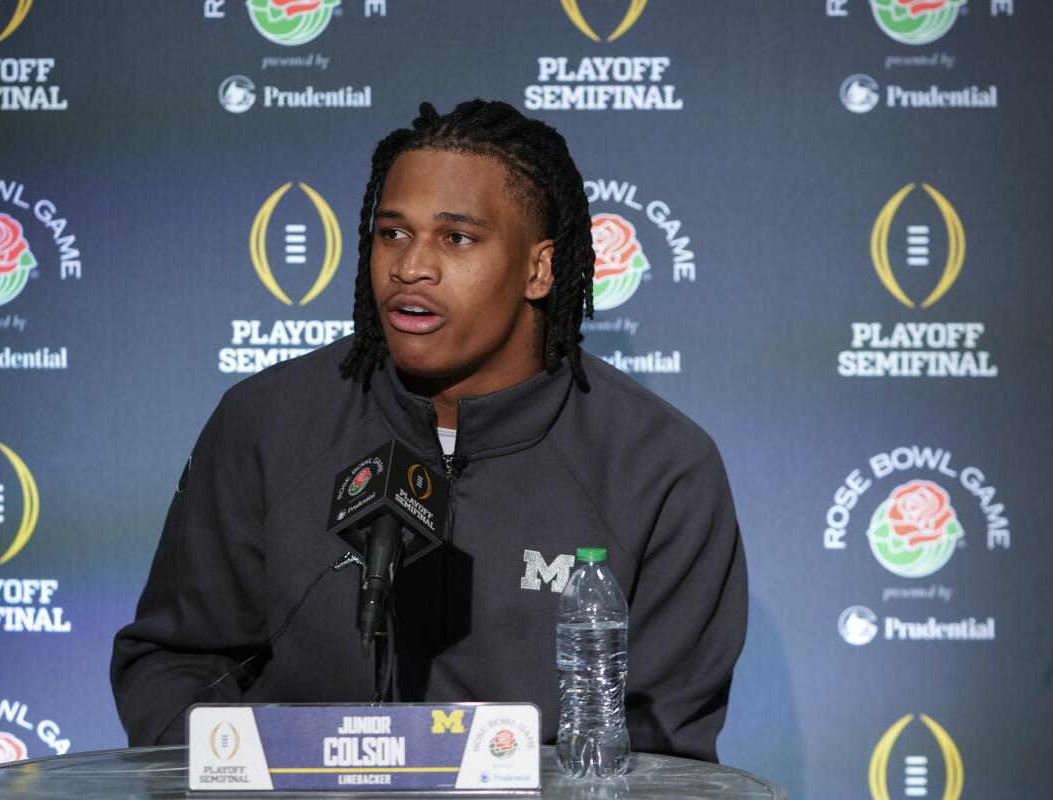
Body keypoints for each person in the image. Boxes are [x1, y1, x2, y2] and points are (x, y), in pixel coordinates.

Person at [110, 100, 747, 762]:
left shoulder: (660, 468)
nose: (411, 267)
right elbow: (179, 664)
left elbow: (661, 752)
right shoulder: (267, 423)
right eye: (392, 234)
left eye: (457, 238)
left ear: (540, 268)